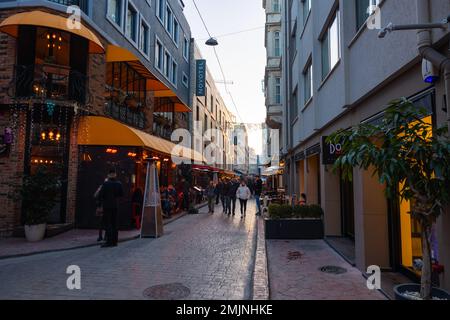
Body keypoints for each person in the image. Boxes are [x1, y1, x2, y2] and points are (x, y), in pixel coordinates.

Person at [98, 169, 124, 248]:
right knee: (114, 223)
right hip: (115, 206)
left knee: (108, 223)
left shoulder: (105, 184)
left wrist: (100, 205)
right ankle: (114, 241)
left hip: (107, 206)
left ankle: (109, 241)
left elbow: (100, 195)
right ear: (115, 175)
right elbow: (121, 194)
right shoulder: (119, 184)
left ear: (109, 175)